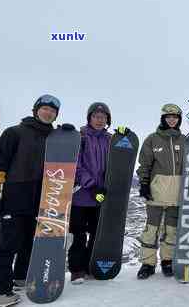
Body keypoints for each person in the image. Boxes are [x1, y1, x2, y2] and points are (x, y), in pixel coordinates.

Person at [0, 95, 60, 307]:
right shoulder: (14, 133)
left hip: (42, 199)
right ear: (36, 110)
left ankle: (20, 278)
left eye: (52, 111)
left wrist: (68, 135)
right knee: (7, 246)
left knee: (29, 243)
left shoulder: (54, 138)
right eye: (45, 109)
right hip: (15, 197)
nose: (48, 113)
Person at [136, 104, 185, 279]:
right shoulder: (152, 139)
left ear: (179, 119)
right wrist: (144, 184)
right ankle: (148, 264)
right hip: (156, 193)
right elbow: (144, 165)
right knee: (151, 230)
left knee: (171, 230)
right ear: (163, 118)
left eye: (175, 117)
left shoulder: (184, 140)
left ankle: (167, 261)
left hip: (177, 195)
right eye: (168, 117)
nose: (172, 119)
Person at [68, 102, 112, 284]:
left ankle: (90, 266)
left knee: (96, 234)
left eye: (103, 117)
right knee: (78, 235)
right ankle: (77, 270)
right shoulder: (80, 137)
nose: (100, 120)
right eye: (96, 116)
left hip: (100, 196)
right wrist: (91, 185)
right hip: (81, 195)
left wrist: (125, 138)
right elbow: (76, 165)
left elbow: (119, 164)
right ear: (89, 118)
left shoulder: (111, 139)